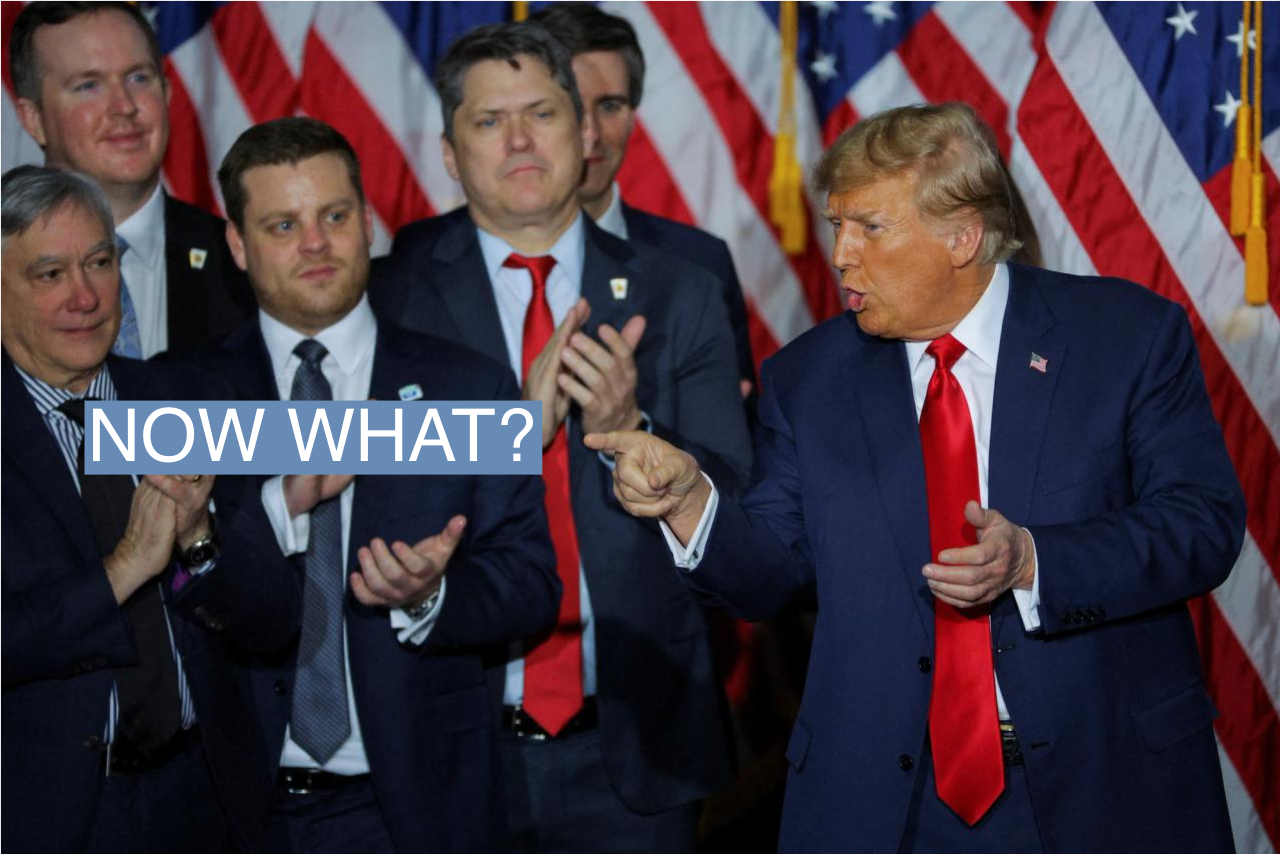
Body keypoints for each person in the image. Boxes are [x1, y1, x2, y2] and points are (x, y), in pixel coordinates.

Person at [587, 102, 1246, 853]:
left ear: (962, 236)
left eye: (870, 227)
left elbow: (1201, 525)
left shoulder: (1124, 338)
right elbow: (768, 573)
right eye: (837, 225)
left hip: (1104, 790)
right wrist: (692, 505)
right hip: (886, 808)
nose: (842, 255)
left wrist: (1036, 561)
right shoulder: (809, 379)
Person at [373, 21, 751, 854]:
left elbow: (741, 517)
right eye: (488, 120)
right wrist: (512, 434)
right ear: (449, 154)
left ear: (584, 133)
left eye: (541, 114)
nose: (518, 140)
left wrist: (631, 430)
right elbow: (350, 479)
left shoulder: (680, 290)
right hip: (452, 741)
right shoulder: (390, 296)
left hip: (636, 750)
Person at [186, 116, 560, 854]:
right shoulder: (182, 395)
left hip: (418, 811)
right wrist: (276, 508)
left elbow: (531, 584)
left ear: (367, 221)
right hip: (231, 810)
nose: (315, 243)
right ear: (238, 244)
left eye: (334, 216)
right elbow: (166, 585)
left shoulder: (471, 389)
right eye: (283, 224)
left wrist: (430, 594)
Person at [0, 165, 299, 853]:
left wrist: (200, 539)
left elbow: (274, 618)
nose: (85, 296)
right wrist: (123, 570)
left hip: (205, 797)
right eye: (50, 274)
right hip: (50, 816)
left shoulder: (184, 399)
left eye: (99, 263)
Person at [522, 2, 756, 404]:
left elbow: (735, 438)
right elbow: (398, 435)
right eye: (566, 106)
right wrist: (518, 430)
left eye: (609, 106)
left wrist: (636, 428)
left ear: (633, 115)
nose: (590, 133)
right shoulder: (420, 264)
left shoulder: (701, 264)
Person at [9, 0, 254, 358]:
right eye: (89, 85)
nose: (124, 105)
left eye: (138, 78)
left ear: (166, 94)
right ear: (34, 120)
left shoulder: (246, 265)